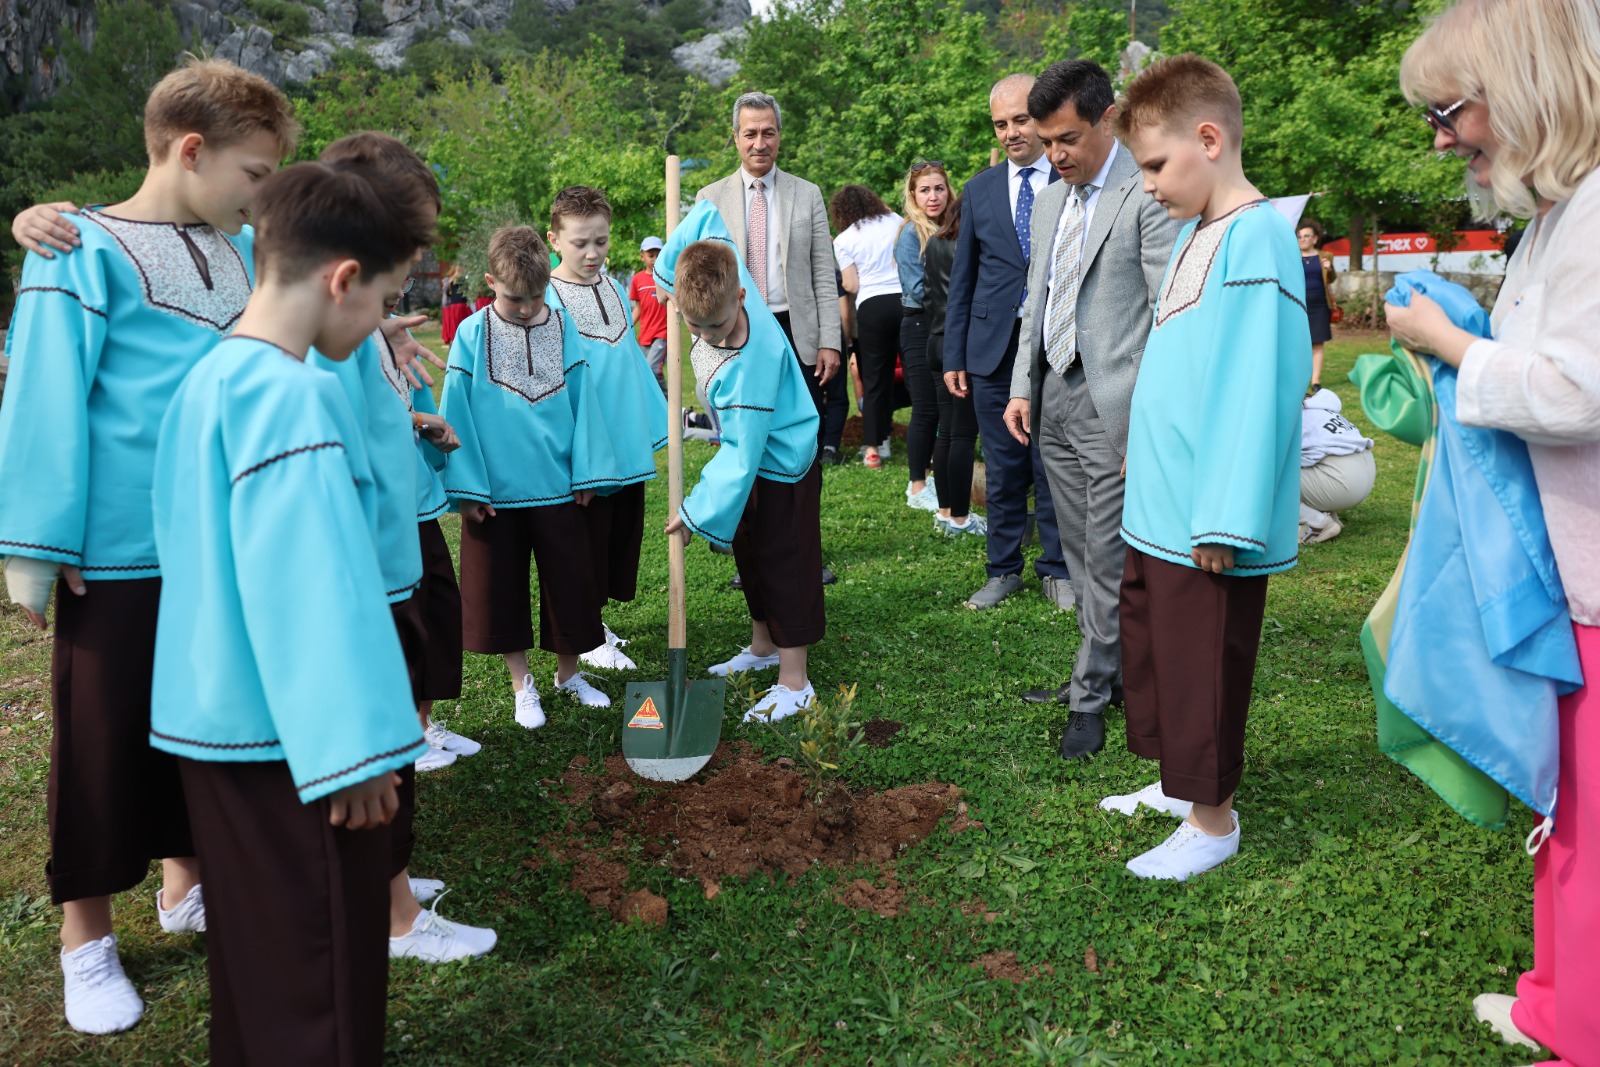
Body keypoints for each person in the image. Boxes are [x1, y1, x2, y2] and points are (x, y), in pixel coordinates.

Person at [0, 58, 296, 1036]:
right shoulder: (74, 247)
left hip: (219, 545)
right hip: (118, 552)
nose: (261, 200)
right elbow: (44, 393)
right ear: (191, 150)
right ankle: (85, 938)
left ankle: (184, 884)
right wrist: (43, 541)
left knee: (204, 723)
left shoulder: (242, 252)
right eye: (254, 176)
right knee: (101, 745)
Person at [147, 160, 431, 1067]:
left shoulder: (208, 377)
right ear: (342, 279)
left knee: (260, 959)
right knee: (322, 973)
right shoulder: (294, 394)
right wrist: (352, 757)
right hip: (297, 751)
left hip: (214, 723)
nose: (381, 321)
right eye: (384, 298)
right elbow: (310, 592)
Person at [1387, 1, 1600, 1059]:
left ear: (1518, 88)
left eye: (1446, 110)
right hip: (1569, 569)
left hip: (1594, 573)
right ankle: (1553, 999)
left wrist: (1451, 347)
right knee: (1566, 814)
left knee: (1591, 829)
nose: (1439, 138)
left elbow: (1578, 388)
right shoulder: (1562, 211)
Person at [1103, 54, 1310, 880]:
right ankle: (1175, 780)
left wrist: (1224, 514)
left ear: (1210, 138)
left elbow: (1253, 384)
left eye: (1155, 164)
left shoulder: (1256, 236)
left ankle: (1213, 818)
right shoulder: (1198, 230)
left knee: (1204, 651)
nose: (1147, 184)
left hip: (1206, 514)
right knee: (1159, 646)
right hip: (1162, 498)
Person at [309, 133, 495, 965]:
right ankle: (392, 917)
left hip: (392, 553)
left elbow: (369, 416)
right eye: (411, 236)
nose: (420, 252)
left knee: (396, 732)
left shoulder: (363, 318)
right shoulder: (328, 325)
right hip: (364, 568)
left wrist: (410, 415)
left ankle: (391, 884)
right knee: (379, 738)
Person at [1002, 59, 1184, 760]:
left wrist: (1150, 420)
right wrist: (1024, 384)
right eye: (1046, 141)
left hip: (1117, 409)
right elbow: (1036, 301)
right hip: (1051, 397)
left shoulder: (1146, 194)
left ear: (1107, 119)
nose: (1055, 155)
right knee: (1076, 553)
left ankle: (1089, 698)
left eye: (1067, 139)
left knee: (1106, 558)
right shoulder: (1050, 199)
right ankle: (1103, 674)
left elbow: (1170, 312)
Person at [655, 203, 825, 722]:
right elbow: (705, 216)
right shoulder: (727, 268)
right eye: (696, 326)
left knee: (784, 561)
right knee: (750, 552)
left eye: (719, 325)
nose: (708, 336)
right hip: (751, 456)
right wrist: (668, 273)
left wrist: (694, 511)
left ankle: (795, 681)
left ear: (744, 298)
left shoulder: (749, 365)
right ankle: (763, 645)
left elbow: (741, 455)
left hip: (781, 461)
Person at [441, 226, 608, 727]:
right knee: (502, 588)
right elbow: (457, 412)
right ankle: (521, 685)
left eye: (537, 296)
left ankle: (568, 673)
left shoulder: (563, 326)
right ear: (491, 281)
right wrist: (467, 489)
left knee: (571, 585)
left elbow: (585, 400)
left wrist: (588, 471)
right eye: (515, 297)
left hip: (559, 485)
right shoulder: (471, 333)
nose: (527, 306)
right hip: (495, 492)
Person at [697, 91, 840, 585]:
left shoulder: (808, 193)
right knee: (742, 444)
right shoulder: (709, 199)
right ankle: (748, 551)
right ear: (735, 138)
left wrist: (830, 341)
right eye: (750, 133)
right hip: (734, 336)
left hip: (794, 334)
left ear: (780, 135)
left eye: (769, 132)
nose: (761, 142)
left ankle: (805, 552)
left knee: (802, 446)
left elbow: (825, 273)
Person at [944, 73, 1073, 611]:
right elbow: (964, 278)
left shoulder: (1071, 182)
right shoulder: (977, 190)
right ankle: (1002, 570)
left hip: (1057, 343)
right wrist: (955, 352)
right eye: (1000, 124)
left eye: (1020, 119)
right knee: (1002, 467)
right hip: (992, 349)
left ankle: (1059, 569)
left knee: (1052, 465)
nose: (1011, 133)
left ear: (1040, 116)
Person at [543, 185, 669, 673]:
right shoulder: (548, 298)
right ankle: (584, 635)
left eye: (601, 241)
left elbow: (628, 363)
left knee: (615, 538)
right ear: (554, 239)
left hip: (622, 443)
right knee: (582, 544)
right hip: (582, 450)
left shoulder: (616, 288)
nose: (593, 253)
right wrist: (580, 462)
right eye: (580, 243)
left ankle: (593, 622)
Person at [923, 193, 986, 537]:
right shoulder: (971, 246)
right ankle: (961, 517)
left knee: (946, 431)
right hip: (959, 344)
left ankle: (945, 510)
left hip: (935, 340)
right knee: (962, 434)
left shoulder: (934, 242)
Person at [831, 184, 904, 467]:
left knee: (875, 380)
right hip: (906, 301)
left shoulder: (844, 239)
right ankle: (932, 444)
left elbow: (850, 284)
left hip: (872, 306)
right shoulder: (895, 221)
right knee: (916, 375)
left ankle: (875, 446)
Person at [895, 161, 950, 508]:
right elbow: (917, 288)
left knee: (948, 409)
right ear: (913, 195)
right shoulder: (910, 234)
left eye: (939, 188)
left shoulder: (953, 226)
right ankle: (917, 485)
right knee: (926, 408)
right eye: (925, 190)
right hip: (919, 326)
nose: (933, 196)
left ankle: (939, 474)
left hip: (948, 326)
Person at [1298, 387, 1375, 544]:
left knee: (1260, 479)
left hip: (1341, 481)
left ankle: (1316, 522)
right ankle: (1329, 513)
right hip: (1364, 473)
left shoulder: (1292, 415)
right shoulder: (1319, 408)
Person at [1298, 218, 1340, 390]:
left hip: (1319, 304)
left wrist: (1329, 269)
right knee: (1300, 342)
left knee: (1318, 342)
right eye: (1299, 236)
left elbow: (1331, 279)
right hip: (1298, 304)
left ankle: (1315, 381)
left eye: (1306, 236)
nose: (1302, 239)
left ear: (1315, 239)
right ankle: (1300, 378)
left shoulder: (1325, 256)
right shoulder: (1291, 256)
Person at [630, 235, 670, 392]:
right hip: (645, 334)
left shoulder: (666, 277)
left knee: (653, 368)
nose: (654, 259)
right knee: (643, 373)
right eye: (650, 255)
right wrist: (627, 326)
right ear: (642, 256)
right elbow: (638, 309)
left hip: (662, 333)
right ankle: (654, 406)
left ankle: (667, 401)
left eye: (658, 255)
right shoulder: (637, 280)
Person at [441, 263, 470, 344]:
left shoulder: (451, 281)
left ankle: (454, 341)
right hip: (462, 304)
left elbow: (448, 293)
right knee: (464, 322)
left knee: (455, 324)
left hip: (453, 305)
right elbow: (467, 291)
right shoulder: (463, 280)